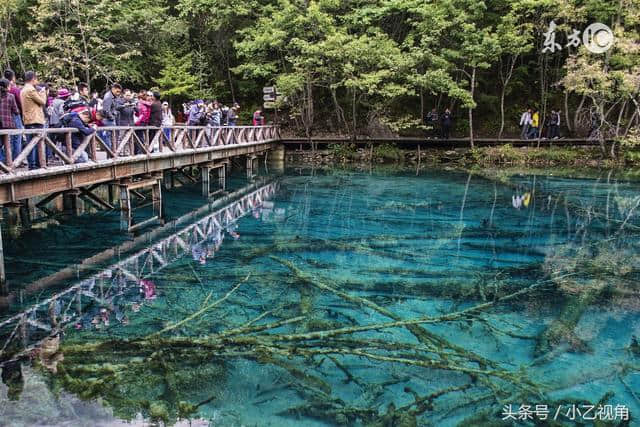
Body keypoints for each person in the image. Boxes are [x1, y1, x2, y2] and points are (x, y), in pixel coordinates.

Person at [21, 71, 48, 169]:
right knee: (36, 143)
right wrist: (43, 92)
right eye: (36, 79)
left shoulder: (23, 89)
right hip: (35, 119)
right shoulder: (31, 90)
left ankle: (33, 164)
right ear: (33, 79)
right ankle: (35, 165)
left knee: (31, 143)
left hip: (28, 119)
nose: (37, 81)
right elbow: (42, 101)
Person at [4, 70, 23, 161]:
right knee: (17, 137)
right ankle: (17, 159)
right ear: (13, 77)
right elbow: (20, 103)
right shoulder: (14, 89)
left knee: (8, 139)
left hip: (4, 117)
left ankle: (8, 159)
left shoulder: (3, 85)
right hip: (14, 115)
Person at [0, 78, 20, 164]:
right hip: (8, 124)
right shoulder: (10, 96)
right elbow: (16, 111)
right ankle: (9, 164)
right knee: (8, 145)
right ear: (7, 86)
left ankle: (1, 163)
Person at [100, 83, 122, 150]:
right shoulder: (108, 97)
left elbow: (114, 107)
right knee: (110, 138)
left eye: (119, 92)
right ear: (113, 89)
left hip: (111, 119)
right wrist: (112, 117)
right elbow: (106, 110)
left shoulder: (113, 96)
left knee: (113, 138)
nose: (118, 93)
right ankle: (110, 153)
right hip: (108, 120)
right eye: (117, 91)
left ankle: (112, 153)